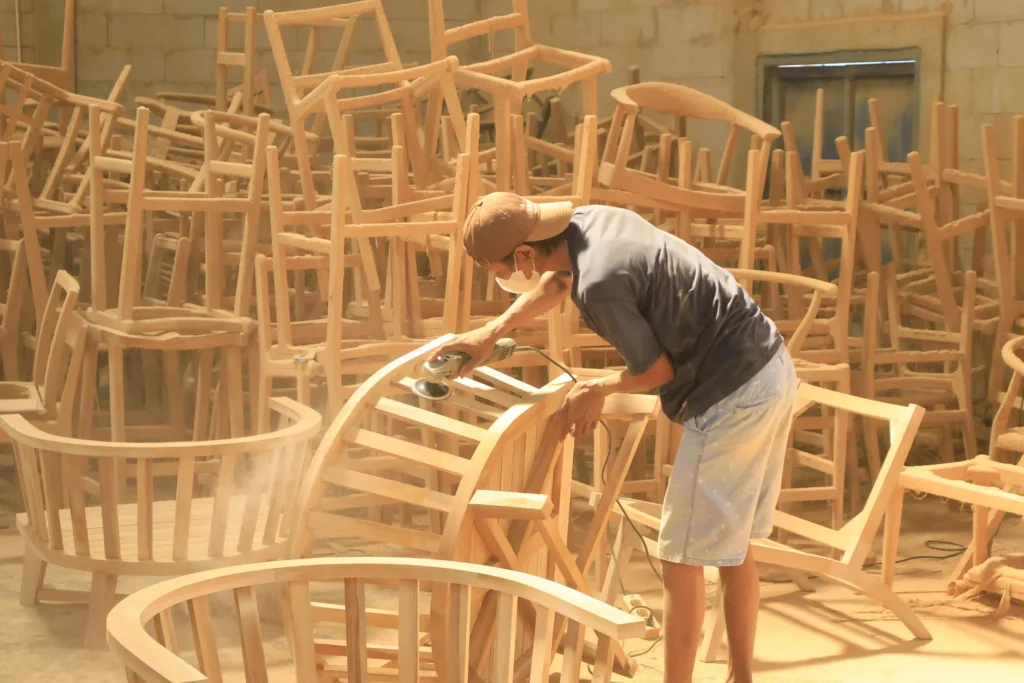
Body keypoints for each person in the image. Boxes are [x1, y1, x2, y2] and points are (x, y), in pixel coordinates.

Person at [432, 192, 798, 683]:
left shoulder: (601, 284)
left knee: (680, 555)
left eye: (498, 268)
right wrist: (494, 330)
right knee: (731, 544)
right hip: (769, 365)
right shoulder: (591, 223)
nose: (501, 278)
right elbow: (558, 280)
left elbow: (655, 370)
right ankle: (743, 677)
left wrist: (597, 388)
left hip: (733, 392)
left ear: (523, 256)